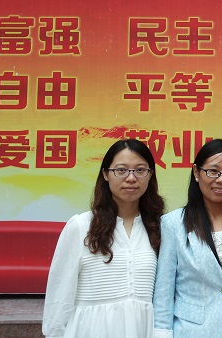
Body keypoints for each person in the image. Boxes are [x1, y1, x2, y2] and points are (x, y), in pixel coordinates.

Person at [42, 138, 166, 338]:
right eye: (121, 170)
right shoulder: (81, 226)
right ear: (106, 174)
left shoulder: (160, 228)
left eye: (140, 170)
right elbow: (59, 296)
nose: (131, 178)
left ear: (150, 175)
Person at [153, 139, 222, 338]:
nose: (221, 180)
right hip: (191, 331)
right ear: (196, 172)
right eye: (213, 171)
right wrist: (162, 333)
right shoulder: (173, 224)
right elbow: (164, 292)